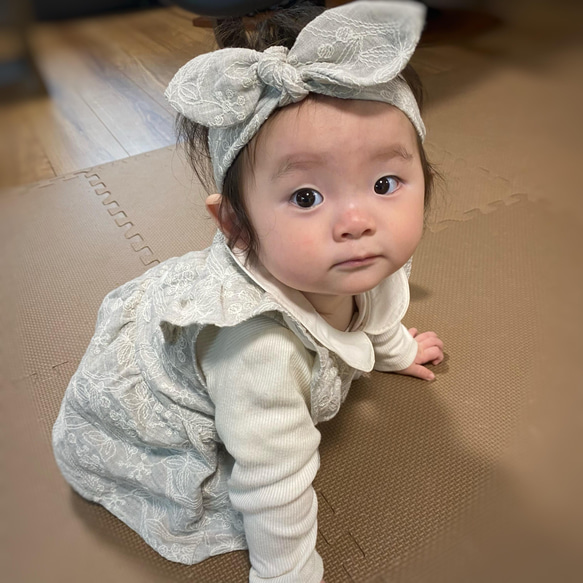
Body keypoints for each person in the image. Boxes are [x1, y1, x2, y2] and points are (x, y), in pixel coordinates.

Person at [52, 2, 445, 582]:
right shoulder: (254, 353)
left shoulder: (359, 260)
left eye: (385, 183)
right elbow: (273, 485)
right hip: (168, 422)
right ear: (236, 225)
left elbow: (378, 311)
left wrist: (396, 352)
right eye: (306, 197)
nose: (358, 220)